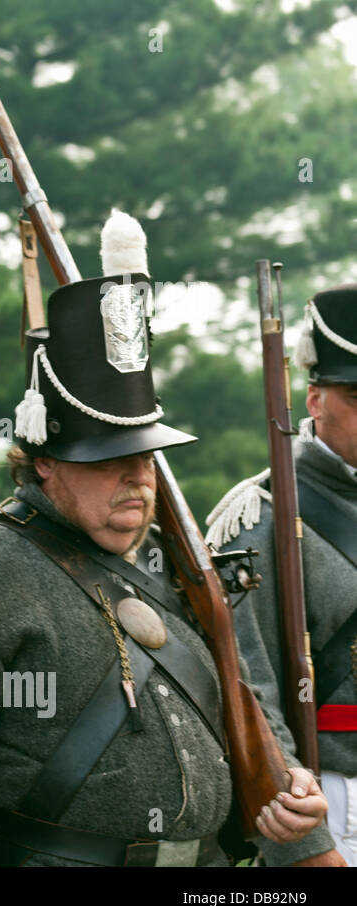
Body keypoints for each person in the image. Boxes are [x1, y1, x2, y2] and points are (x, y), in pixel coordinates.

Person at [0, 211, 333, 866]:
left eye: (146, 457)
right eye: (106, 460)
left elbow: (251, 706)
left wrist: (289, 781)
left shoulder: (184, 571)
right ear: (43, 459)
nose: (135, 478)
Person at [207, 281, 357, 865]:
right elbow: (248, 694)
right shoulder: (259, 517)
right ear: (315, 399)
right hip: (336, 800)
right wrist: (307, 845)